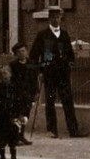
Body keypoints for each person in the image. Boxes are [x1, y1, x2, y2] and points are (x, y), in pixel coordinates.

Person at [29, 8, 82, 138]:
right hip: (49, 74)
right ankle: (52, 130)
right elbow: (34, 55)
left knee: (68, 101)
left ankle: (73, 131)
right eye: (53, 17)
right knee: (50, 102)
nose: (56, 19)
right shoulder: (42, 35)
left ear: (61, 18)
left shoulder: (64, 34)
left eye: (58, 17)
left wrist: (70, 62)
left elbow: (70, 53)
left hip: (63, 74)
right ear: (49, 19)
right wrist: (41, 70)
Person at [0, 43, 30, 159]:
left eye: (7, 74)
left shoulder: (15, 88)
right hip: (2, 118)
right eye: (2, 75)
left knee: (13, 139)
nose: (5, 76)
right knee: (2, 140)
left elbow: (19, 102)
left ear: (10, 75)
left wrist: (20, 114)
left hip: (13, 117)